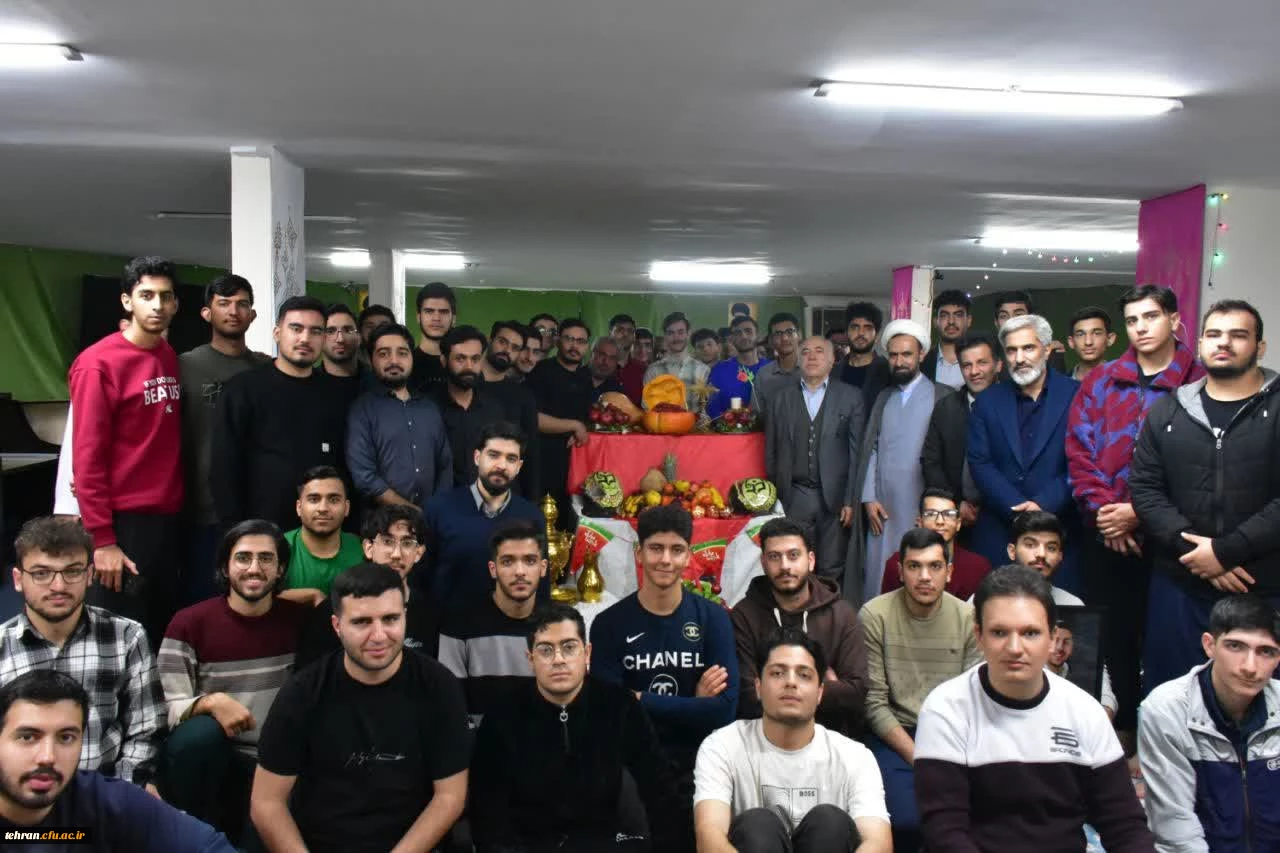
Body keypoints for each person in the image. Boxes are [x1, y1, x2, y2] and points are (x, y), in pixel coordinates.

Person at [913, 566, 1155, 853]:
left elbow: (1125, 827)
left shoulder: (1084, 711)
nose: (1015, 648)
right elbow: (945, 835)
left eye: (1030, 633)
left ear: (1052, 638)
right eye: (999, 632)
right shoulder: (945, 709)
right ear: (978, 635)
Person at [251, 562, 470, 853]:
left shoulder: (439, 687)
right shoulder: (302, 693)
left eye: (390, 619)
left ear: (405, 616)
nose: (379, 635)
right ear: (337, 626)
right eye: (362, 622)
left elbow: (450, 797)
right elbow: (267, 803)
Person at [1066, 284, 1202, 733]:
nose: (1141, 328)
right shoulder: (1102, 379)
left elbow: (1199, 469)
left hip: (1170, 537)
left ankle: (1169, 737)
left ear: (1174, 320)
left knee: (1169, 638)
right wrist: (1108, 514)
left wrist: (1138, 515)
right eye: (1132, 320)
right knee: (1110, 638)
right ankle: (1118, 735)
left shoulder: (1197, 381)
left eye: (1151, 317)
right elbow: (1079, 450)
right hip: (1104, 533)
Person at [1130, 299, 1280, 694]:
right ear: (1200, 345)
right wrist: (1199, 555)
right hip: (1180, 582)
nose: (1223, 343)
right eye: (1213, 334)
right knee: (1171, 698)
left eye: (1238, 335)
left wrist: (1225, 552)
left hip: (1263, 587)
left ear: (1260, 347)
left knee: (1261, 705)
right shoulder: (1168, 410)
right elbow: (1144, 489)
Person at [469, 604, 691, 853]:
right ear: (530, 659)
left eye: (569, 647)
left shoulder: (619, 705)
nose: (558, 659)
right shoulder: (502, 716)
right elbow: (488, 814)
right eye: (546, 650)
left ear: (587, 654)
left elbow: (660, 789)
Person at [157, 520, 308, 843]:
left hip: (276, 762)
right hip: (213, 759)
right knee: (197, 735)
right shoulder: (189, 623)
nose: (254, 568)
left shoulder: (299, 622)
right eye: (243, 558)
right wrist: (211, 703)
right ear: (225, 567)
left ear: (281, 569)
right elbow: (166, 708)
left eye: (266, 559)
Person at [67, 255, 184, 647]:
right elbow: (87, 458)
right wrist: (103, 540)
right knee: (117, 637)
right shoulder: (97, 364)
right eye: (146, 295)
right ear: (126, 301)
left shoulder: (166, 355)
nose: (157, 305)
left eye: (165, 296)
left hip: (166, 519)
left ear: (175, 304)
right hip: (122, 523)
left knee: (158, 631)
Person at [695, 628, 892, 853]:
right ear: (758, 688)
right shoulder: (721, 746)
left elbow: (878, 843)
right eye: (777, 673)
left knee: (830, 822)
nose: (791, 682)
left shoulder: (855, 757)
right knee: (757, 825)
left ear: (819, 693)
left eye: (804, 675)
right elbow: (709, 835)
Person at [0, 517, 163, 787]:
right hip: (19, 797)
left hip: (106, 794)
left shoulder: (126, 636)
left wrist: (119, 796)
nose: (58, 586)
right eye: (41, 573)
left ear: (89, 575)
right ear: (18, 579)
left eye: (72, 571)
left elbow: (147, 731)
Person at [0, 670, 236, 853]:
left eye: (66, 738)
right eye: (27, 737)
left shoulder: (104, 801)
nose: (48, 757)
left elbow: (207, 847)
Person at [590, 505, 738, 781]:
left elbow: (724, 710)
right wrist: (694, 704)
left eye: (676, 549)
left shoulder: (713, 618)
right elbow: (609, 711)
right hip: (631, 768)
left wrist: (639, 698)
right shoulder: (608, 624)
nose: (666, 560)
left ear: (688, 556)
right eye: (656, 548)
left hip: (701, 765)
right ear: (639, 554)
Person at [859, 527, 981, 849]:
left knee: (972, 816)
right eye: (914, 566)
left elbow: (973, 700)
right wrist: (921, 758)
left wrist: (945, 756)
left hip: (954, 737)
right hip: (895, 736)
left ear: (949, 571)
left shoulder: (968, 618)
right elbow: (874, 704)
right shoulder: (875, 615)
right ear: (900, 571)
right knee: (906, 820)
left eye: (934, 566)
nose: (925, 576)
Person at [1139, 594, 1280, 853]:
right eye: (1235, 646)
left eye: (1266, 652)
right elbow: (1175, 828)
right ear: (1209, 645)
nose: (1250, 667)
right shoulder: (1167, 709)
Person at [212, 294, 349, 532]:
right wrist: (236, 531)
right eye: (296, 328)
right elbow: (224, 468)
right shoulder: (243, 390)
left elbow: (342, 466)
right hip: (260, 531)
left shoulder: (335, 395)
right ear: (277, 333)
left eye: (316, 331)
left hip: (322, 531)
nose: (305, 338)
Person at [967, 314, 1081, 589]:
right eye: (1011, 350)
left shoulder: (1078, 395)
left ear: (1047, 349)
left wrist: (1043, 505)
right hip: (999, 529)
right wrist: (1018, 509)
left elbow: (1084, 461)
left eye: (1028, 348)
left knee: (1058, 611)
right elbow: (980, 462)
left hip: (1061, 530)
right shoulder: (987, 401)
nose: (1019, 358)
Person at [178, 274, 270, 606]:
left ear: (253, 315)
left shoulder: (265, 368)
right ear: (207, 313)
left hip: (256, 505)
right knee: (205, 602)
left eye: (242, 304)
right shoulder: (184, 366)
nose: (234, 311)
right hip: (200, 510)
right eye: (224, 304)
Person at [730, 519, 868, 736]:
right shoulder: (744, 615)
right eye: (774, 557)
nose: (785, 565)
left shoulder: (841, 614)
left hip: (831, 738)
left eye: (793, 555)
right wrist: (823, 684)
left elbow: (857, 693)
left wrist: (774, 687)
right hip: (763, 737)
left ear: (811, 560)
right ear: (763, 563)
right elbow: (747, 694)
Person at [858, 319, 953, 603]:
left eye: (907, 354)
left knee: (920, 567)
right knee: (880, 574)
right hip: (882, 507)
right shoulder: (884, 397)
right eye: (894, 355)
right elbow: (872, 448)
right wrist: (868, 497)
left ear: (921, 354)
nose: (899, 361)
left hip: (920, 504)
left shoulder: (942, 395)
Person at [765, 336, 866, 579]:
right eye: (806, 351)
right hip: (794, 496)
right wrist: (776, 497)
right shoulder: (780, 398)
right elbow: (771, 451)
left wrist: (851, 500)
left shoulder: (851, 396)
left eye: (819, 351)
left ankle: (829, 605)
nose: (812, 356)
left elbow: (857, 454)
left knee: (832, 567)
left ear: (832, 360)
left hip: (835, 499)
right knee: (794, 564)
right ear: (798, 360)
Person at [423, 423, 547, 612]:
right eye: (493, 455)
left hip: (511, 626)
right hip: (451, 625)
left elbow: (542, 587)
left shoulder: (532, 516)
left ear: (519, 467)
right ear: (477, 457)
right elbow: (421, 579)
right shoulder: (439, 509)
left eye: (511, 458)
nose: (501, 465)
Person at [295, 505, 438, 667]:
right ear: (368, 547)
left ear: (419, 552)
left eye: (407, 543)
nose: (396, 554)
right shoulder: (334, 608)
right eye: (387, 541)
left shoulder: (429, 611)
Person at [438, 522, 546, 727]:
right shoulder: (458, 624)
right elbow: (450, 707)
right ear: (493, 569)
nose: (520, 571)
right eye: (508, 562)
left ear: (543, 568)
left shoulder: (557, 625)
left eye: (530, 561)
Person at [346, 321, 454, 509]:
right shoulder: (362, 410)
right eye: (383, 354)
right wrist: (412, 512)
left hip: (431, 520)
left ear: (412, 357)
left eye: (402, 353)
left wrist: (435, 512)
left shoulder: (429, 408)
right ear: (371, 360)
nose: (394, 361)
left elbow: (445, 465)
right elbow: (364, 477)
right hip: (381, 521)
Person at [921, 332, 1003, 531]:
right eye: (966, 365)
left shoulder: (1014, 406)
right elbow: (931, 461)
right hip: (953, 516)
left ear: (998, 365)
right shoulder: (946, 407)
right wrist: (956, 503)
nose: (974, 371)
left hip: (1000, 513)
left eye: (982, 363)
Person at [527, 319, 594, 514]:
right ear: (558, 341)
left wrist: (581, 427)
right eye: (569, 339)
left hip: (574, 464)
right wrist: (574, 426)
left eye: (580, 341)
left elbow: (586, 416)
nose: (574, 346)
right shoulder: (540, 371)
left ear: (587, 346)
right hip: (543, 462)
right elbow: (533, 419)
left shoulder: (585, 376)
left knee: (570, 518)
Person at [433, 325, 511, 488]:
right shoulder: (427, 408)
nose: (469, 366)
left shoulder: (494, 409)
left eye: (475, 359)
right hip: (440, 501)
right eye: (460, 359)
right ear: (444, 361)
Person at [880, 489, 992, 601]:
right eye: (931, 514)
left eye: (948, 514)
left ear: (958, 523)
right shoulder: (897, 564)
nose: (940, 521)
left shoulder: (978, 567)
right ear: (919, 522)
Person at [279, 466, 365, 601]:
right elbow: (258, 598)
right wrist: (312, 595)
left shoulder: (364, 549)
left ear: (347, 508)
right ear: (299, 507)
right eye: (314, 499)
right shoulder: (279, 548)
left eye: (334, 500)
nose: (323, 508)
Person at [479, 320, 543, 499]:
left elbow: (531, 453)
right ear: (489, 340)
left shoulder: (523, 396)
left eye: (515, 348)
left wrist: (532, 501)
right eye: (502, 342)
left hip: (508, 494)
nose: (507, 350)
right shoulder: (465, 385)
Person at [708, 314, 769, 418]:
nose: (744, 336)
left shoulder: (772, 369)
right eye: (738, 333)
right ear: (732, 339)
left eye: (748, 331)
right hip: (728, 428)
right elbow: (712, 409)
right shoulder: (719, 371)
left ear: (757, 335)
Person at [644, 312, 712, 405]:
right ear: (665, 336)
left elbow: (707, 407)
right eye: (671, 333)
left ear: (688, 334)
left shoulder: (703, 370)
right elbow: (647, 407)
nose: (676, 338)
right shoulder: (653, 371)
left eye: (680, 332)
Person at [990, 290, 1068, 372]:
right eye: (1003, 316)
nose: (1011, 321)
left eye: (1018, 315)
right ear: (996, 323)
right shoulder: (989, 354)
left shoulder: (1049, 352)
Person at [838, 302, 892, 410]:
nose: (861, 333)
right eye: (855, 327)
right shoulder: (832, 372)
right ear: (847, 333)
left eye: (868, 328)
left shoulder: (888, 372)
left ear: (877, 336)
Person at [752, 312, 802, 418]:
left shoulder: (812, 369)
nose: (785, 338)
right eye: (778, 334)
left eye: (790, 332)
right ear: (771, 340)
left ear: (799, 335)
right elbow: (756, 414)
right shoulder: (763, 375)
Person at [320, 302, 374, 399]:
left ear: (359, 337)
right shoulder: (305, 384)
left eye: (348, 330)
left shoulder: (378, 383)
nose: (340, 339)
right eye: (330, 331)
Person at [411, 281, 456, 395]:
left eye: (443, 312)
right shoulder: (406, 363)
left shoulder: (463, 364)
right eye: (429, 311)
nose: (436, 318)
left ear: (453, 319)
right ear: (418, 317)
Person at [921, 290, 971, 390]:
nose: (951, 321)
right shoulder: (922, 362)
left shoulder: (982, 361)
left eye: (958, 315)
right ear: (936, 322)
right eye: (944, 315)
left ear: (968, 321)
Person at [1066, 305, 1117, 381]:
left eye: (1097, 333)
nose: (1088, 342)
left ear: (1110, 339)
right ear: (1071, 342)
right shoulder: (1060, 384)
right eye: (1080, 334)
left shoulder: (1124, 382)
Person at [610, 313, 648, 405]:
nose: (625, 334)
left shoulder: (644, 370)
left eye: (630, 331)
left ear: (634, 336)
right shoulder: (599, 367)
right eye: (620, 330)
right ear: (610, 333)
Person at [588, 336, 626, 401]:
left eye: (612, 358)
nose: (606, 361)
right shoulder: (572, 378)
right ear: (592, 354)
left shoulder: (617, 392)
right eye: (602, 354)